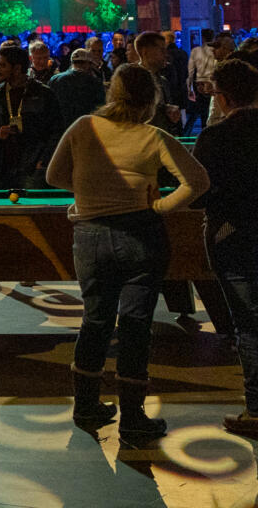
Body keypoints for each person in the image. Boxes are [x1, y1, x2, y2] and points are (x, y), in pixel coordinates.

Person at [46, 64, 208, 441]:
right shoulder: (154, 136)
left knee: (96, 320)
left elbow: (54, 176)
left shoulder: (83, 126)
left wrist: (90, 191)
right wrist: (162, 207)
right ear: (151, 98)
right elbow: (197, 181)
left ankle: (86, 406)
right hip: (141, 235)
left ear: (112, 92)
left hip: (90, 236)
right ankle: (134, 418)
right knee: (136, 326)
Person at [194, 57, 258, 437]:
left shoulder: (215, 136)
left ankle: (256, 410)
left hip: (233, 237)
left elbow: (198, 196)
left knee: (249, 325)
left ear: (224, 96)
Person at [0, 46, 61, 189]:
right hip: (0, 168)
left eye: (2, 65)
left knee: (31, 210)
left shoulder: (43, 94)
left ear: (17, 68)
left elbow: (57, 131)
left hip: (32, 168)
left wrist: (43, 160)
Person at [50, 46, 108, 127]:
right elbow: (101, 109)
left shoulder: (55, 79)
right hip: (86, 128)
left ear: (72, 63)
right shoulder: (95, 83)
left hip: (60, 130)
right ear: (88, 64)